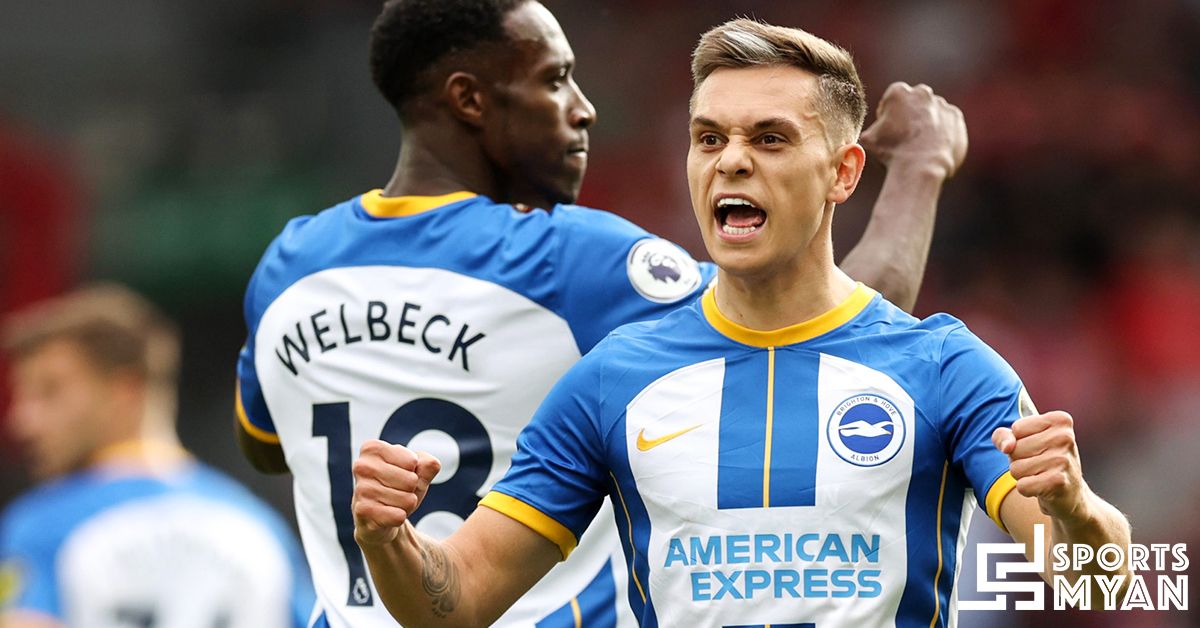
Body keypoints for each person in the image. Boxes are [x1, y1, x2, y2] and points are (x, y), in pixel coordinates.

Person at [348, 18, 1133, 627]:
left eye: (769, 139)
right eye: (709, 138)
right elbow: (456, 601)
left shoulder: (944, 368)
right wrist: (390, 541)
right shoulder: (610, 382)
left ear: (843, 173)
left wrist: (1073, 507)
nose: (730, 160)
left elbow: (1101, 582)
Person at [234, 1, 967, 626]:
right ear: (469, 100)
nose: (583, 108)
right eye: (554, 79)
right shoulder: (571, 262)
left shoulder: (289, 266)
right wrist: (920, 166)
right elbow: (822, 334)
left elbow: (265, 445)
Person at [0, 285, 315, 628]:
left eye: (49, 391)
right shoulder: (260, 528)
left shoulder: (45, 526)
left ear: (125, 391)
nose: (22, 421)